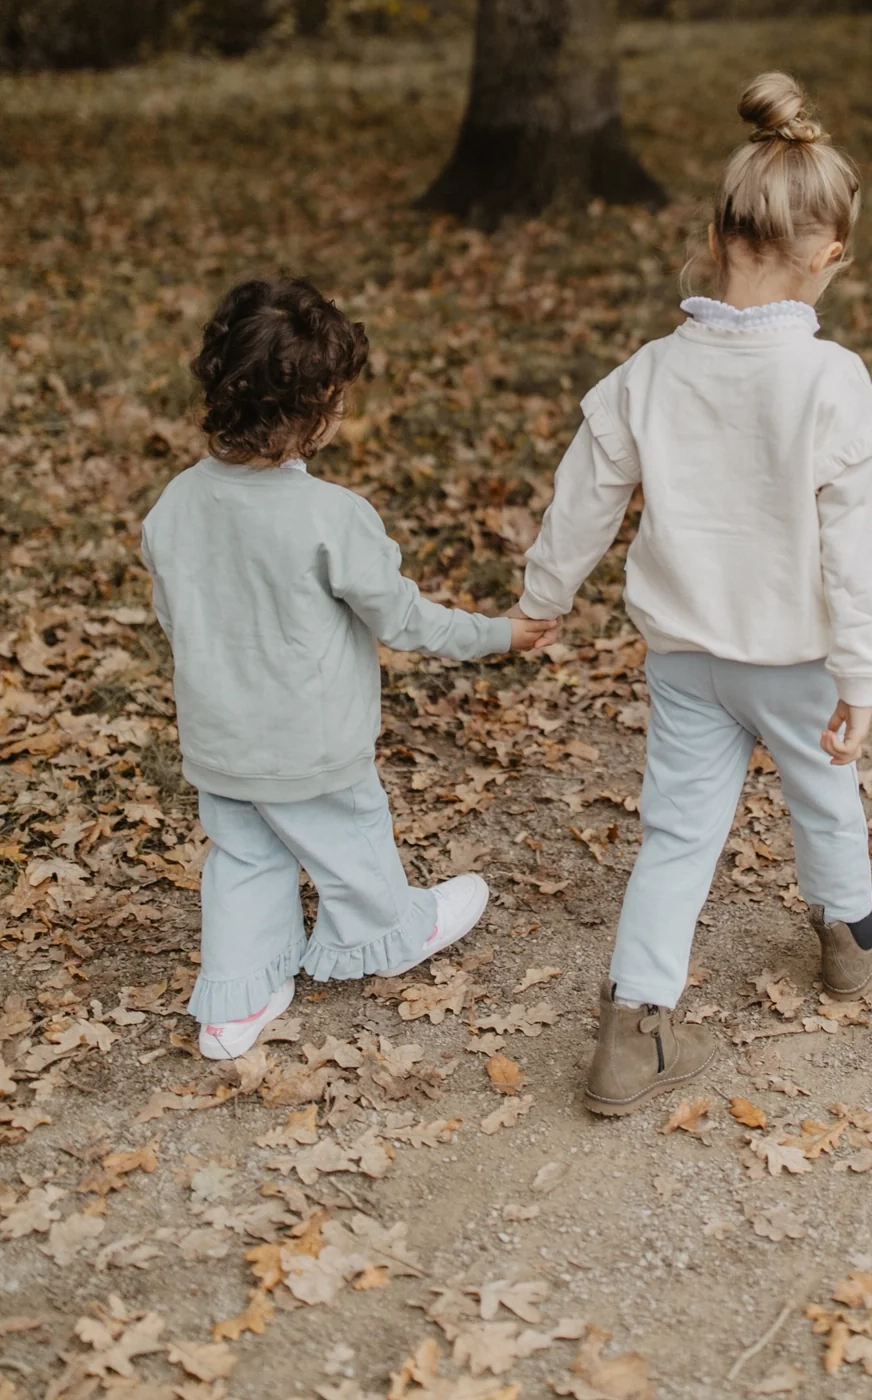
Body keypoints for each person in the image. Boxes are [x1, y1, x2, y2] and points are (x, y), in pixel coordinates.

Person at [514, 73, 872, 1116]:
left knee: (678, 832)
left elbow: (582, 497)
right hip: (790, 657)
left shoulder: (648, 371)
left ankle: (633, 1030)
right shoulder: (831, 383)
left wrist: (544, 593)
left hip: (686, 657)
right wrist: (863, 675)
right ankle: (849, 937)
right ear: (831, 251)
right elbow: (859, 546)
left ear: (712, 232)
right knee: (822, 790)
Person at [142, 278, 556, 1061]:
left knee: (243, 859)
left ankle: (236, 1000)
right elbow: (403, 621)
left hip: (219, 744)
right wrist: (497, 634)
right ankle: (385, 927)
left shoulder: (174, 506)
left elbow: (175, 618)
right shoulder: (332, 517)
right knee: (351, 840)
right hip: (316, 745)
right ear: (321, 409)